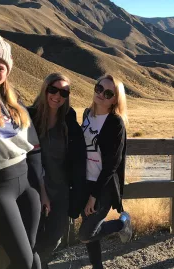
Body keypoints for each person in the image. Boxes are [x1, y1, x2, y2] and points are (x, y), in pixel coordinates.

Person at [0, 32, 49, 269]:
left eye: (0, 68)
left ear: (8, 72)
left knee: (32, 255)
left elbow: (33, 149)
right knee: (25, 261)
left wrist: (42, 190)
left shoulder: (13, 102)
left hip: (27, 184)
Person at [28, 73, 86, 268]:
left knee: (55, 238)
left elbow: (79, 158)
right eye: (53, 89)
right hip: (35, 188)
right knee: (31, 238)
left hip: (61, 191)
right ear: (45, 89)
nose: (57, 95)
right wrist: (42, 192)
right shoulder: (31, 117)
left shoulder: (69, 121)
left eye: (64, 92)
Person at [79, 74, 132, 269]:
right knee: (91, 229)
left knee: (86, 233)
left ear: (115, 100)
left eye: (108, 93)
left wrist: (94, 195)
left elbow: (112, 163)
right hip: (85, 181)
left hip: (103, 186)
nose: (101, 94)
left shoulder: (115, 123)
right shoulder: (87, 114)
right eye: (99, 88)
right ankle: (97, 266)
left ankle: (122, 224)